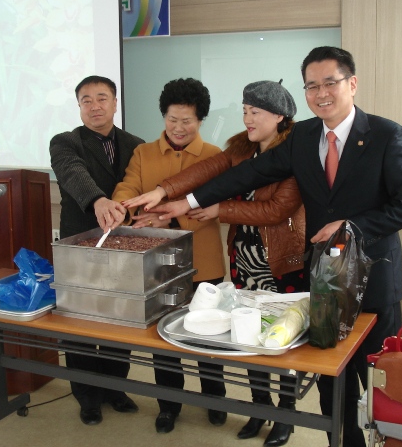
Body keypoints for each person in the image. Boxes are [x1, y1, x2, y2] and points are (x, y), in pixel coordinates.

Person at [126, 47, 402, 447]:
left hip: (374, 279)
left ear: (352, 83)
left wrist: (351, 227)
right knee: (331, 376)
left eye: (330, 83)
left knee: (379, 374)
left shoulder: (387, 135)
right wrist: (185, 201)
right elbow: (248, 173)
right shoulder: (304, 136)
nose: (321, 93)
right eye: (312, 86)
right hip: (325, 281)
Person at [122, 80, 306, 447]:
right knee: (247, 336)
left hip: (280, 261)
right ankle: (260, 408)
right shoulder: (241, 149)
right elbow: (205, 171)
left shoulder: (293, 153)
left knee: (282, 341)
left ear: (279, 117)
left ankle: (285, 416)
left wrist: (220, 209)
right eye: (245, 110)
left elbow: (277, 210)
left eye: (255, 112)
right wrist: (163, 191)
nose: (247, 118)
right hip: (244, 258)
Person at [107, 77, 227, 434]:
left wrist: (172, 218)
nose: (178, 127)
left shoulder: (214, 156)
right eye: (172, 119)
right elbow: (128, 186)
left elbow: (216, 208)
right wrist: (123, 206)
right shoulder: (143, 153)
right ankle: (168, 406)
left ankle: (215, 399)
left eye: (187, 120)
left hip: (204, 261)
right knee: (164, 339)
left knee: (209, 336)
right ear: (164, 117)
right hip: (157, 264)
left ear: (200, 120)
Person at [49, 75, 145, 426]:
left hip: (123, 246)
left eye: (102, 98)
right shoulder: (65, 142)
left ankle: (115, 388)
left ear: (115, 103)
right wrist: (99, 200)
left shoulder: (136, 145)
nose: (94, 106)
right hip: (80, 245)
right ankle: (87, 395)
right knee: (80, 320)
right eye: (86, 100)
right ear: (79, 107)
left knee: (120, 318)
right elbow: (73, 173)